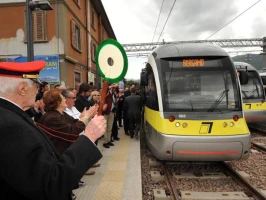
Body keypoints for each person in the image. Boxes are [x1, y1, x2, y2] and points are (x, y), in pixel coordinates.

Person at [0, 61, 106, 200]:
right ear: (22, 88)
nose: (39, 92)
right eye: (36, 86)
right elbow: (49, 184)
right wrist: (89, 136)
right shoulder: (10, 125)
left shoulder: (10, 115)